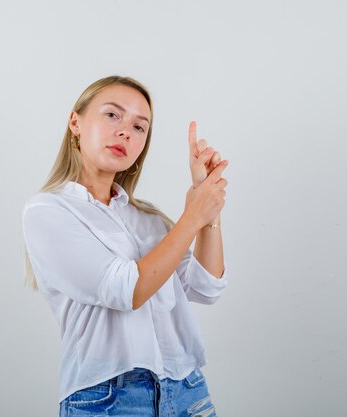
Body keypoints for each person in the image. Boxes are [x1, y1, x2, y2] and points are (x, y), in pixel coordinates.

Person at [21, 75, 229, 417]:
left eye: (139, 127)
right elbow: (127, 289)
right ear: (76, 121)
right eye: (112, 115)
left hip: (187, 391)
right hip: (110, 400)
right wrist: (193, 214)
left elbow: (206, 287)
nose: (125, 132)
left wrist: (208, 212)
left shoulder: (146, 218)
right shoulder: (47, 211)